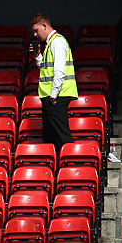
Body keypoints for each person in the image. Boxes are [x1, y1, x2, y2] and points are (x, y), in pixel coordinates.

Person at [30, 13, 77, 152]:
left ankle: (72, 165)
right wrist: (38, 56)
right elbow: (45, 68)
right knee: (51, 137)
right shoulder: (51, 43)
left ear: (44, 26)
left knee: (62, 136)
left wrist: (54, 95)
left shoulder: (57, 42)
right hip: (51, 96)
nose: (35, 35)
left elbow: (59, 71)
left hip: (57, 96)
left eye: (36, 30)